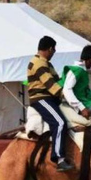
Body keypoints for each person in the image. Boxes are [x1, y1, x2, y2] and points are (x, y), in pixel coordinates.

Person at [26, 36, 74, 172]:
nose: (53, 53)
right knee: (59, 122)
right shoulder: (39, 64)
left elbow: (59, 81)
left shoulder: (46, 63)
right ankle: (59, 159)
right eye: (54, 50)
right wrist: (67, 96)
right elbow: (51, 85)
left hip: (49, 98)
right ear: (50, 49)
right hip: (41, 99)